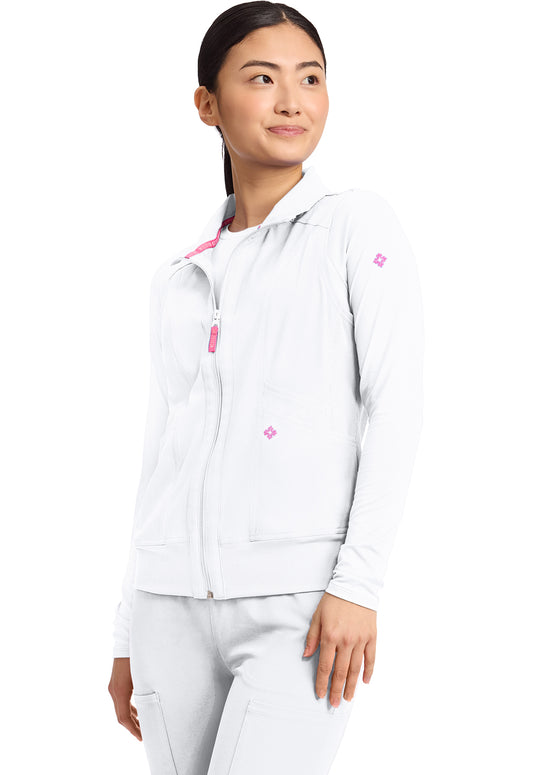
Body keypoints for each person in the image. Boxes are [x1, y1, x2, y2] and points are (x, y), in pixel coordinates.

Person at [107, 2, 425, 773]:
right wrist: (125, 629)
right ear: (207, 104)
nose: (291, 101)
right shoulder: (179, 276)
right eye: (261, 78)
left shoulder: (354, 226)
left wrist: (357, 585)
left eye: (310, 79)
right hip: (167, 608)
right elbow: (161, 453)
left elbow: (395, 408)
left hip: (299, 606)